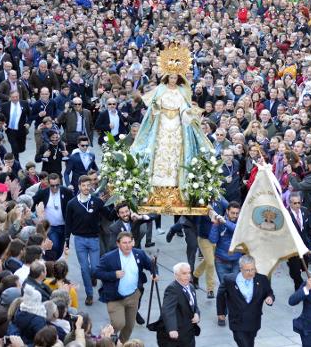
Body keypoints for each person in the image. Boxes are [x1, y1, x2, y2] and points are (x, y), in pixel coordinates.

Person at [129, 43, 213, 207]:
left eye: (176, 77)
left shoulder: (182, 91)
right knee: (160, 149)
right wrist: (156, 109)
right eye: (171, 77)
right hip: (162, 124)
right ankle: (158, 182)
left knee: (176, 150)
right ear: (167, 77)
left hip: (176, 125)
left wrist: (187, 114)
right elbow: (153, 105)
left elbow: (184, 106)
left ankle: (175, 181)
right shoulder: (160, 89)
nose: (173, 80)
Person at [93, 231, 158, 343]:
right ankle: (102, 340)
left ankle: (121, 344)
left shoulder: (139, 254)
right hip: (115, 297)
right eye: (124, 243)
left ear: (133, 242)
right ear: (118, 244)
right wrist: (113, 274)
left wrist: (154, 273)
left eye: (129, 242)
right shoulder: (109, 257)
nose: (128, 245)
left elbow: (151, 265)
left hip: (133, 296)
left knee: (129, 327)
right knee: (118, 323)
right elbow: (96, 272)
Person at [65, 175, 112, 306]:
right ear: (79, 186)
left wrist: (117, 203)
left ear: (91, 186)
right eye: (83, 185)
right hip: (79, 240)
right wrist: (67, 241)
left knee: (95, 268)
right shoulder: (72, 203)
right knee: (84, 268)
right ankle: (89, 294)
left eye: (88, 185)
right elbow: (68, 223)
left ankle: (93, 276)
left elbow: (109, 215)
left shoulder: (97, 201)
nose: (86, 188)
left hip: (94, 239)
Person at [216, 255, 274, 347]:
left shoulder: (262, 279)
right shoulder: (229, 280)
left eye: (252, 269)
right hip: (237, 321)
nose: (251, 273)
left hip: (253, 321)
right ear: (241, 269)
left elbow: (269, 292)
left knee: (250, 343)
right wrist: (221, 312)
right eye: (247, 270)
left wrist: (270, 297)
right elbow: (220, 295)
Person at [155, 262, 200, 347]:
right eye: (184, 273)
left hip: (188, 331)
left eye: (189, 272)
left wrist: (197, 314)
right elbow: (168, 310)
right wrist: (172, 329)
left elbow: (194, 305)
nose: (188, 276)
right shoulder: (172, 289)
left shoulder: (191, 287)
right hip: (175, 335)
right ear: (176, 275)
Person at [0, 90, 30, 161]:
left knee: (21, 148)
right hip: (10, 130)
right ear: (10, 97)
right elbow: (0, 117)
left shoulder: (24, 103)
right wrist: (2, 124)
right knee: (14, 148)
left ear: (19, 96)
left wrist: (28, 123)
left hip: (22, 130)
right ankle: (16, 163)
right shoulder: (5, 106)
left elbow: (30, 115)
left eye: (16, 97)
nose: (15, 99)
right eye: (13, 97)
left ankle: (15, 153)